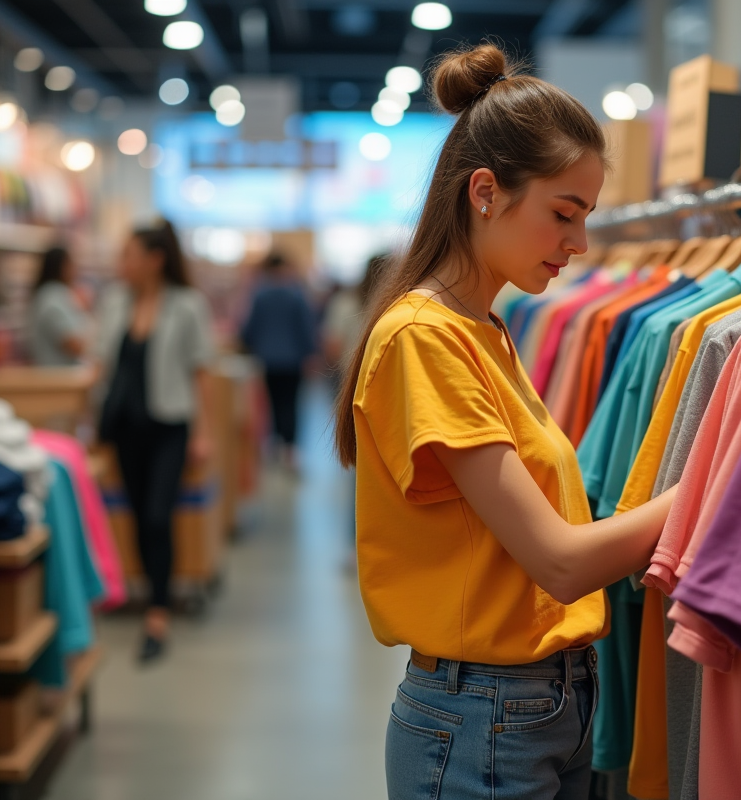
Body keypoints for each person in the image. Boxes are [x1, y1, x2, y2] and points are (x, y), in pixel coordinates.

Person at [333, 44, 677, 799]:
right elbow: (556, 561)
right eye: (564, 214)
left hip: (537, 704)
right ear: (485, 191)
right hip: (484, 716)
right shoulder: (425, 338)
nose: (579, 245)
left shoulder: (483, 327)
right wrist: (714, 486)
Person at [95, 220, 216, 664]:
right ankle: (150, 595)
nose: (121, 264)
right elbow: (101, 361)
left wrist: (204, 432)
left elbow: (200, 371)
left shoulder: (186, 306)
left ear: (155, 259)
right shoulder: (113, 303)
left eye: (129, 254)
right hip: (124, 428)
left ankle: (159, 613)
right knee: (136, 515)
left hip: (170, 426)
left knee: (157, 516)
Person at [240, 252, 317, 471]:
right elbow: (305, 328)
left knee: (273, 403)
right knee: (291, 403)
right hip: (293, 360)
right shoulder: (296, 294)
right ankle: (290, 449)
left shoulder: (260, 295)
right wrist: (310, 354)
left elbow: (250, 329)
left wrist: (249, 346)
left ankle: (274, 445)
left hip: (268, 359)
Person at [322, 254, 389, 394]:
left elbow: (333, 344)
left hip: (349, 373)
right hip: (382, 374)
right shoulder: (393, 306)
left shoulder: (344, 302)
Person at [26, 246, 88, 366]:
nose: (75, 270)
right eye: (71, 264)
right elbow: (74, 345)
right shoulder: (52, 298)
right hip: (57, 378)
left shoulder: (51, 294)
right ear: (62, 267)